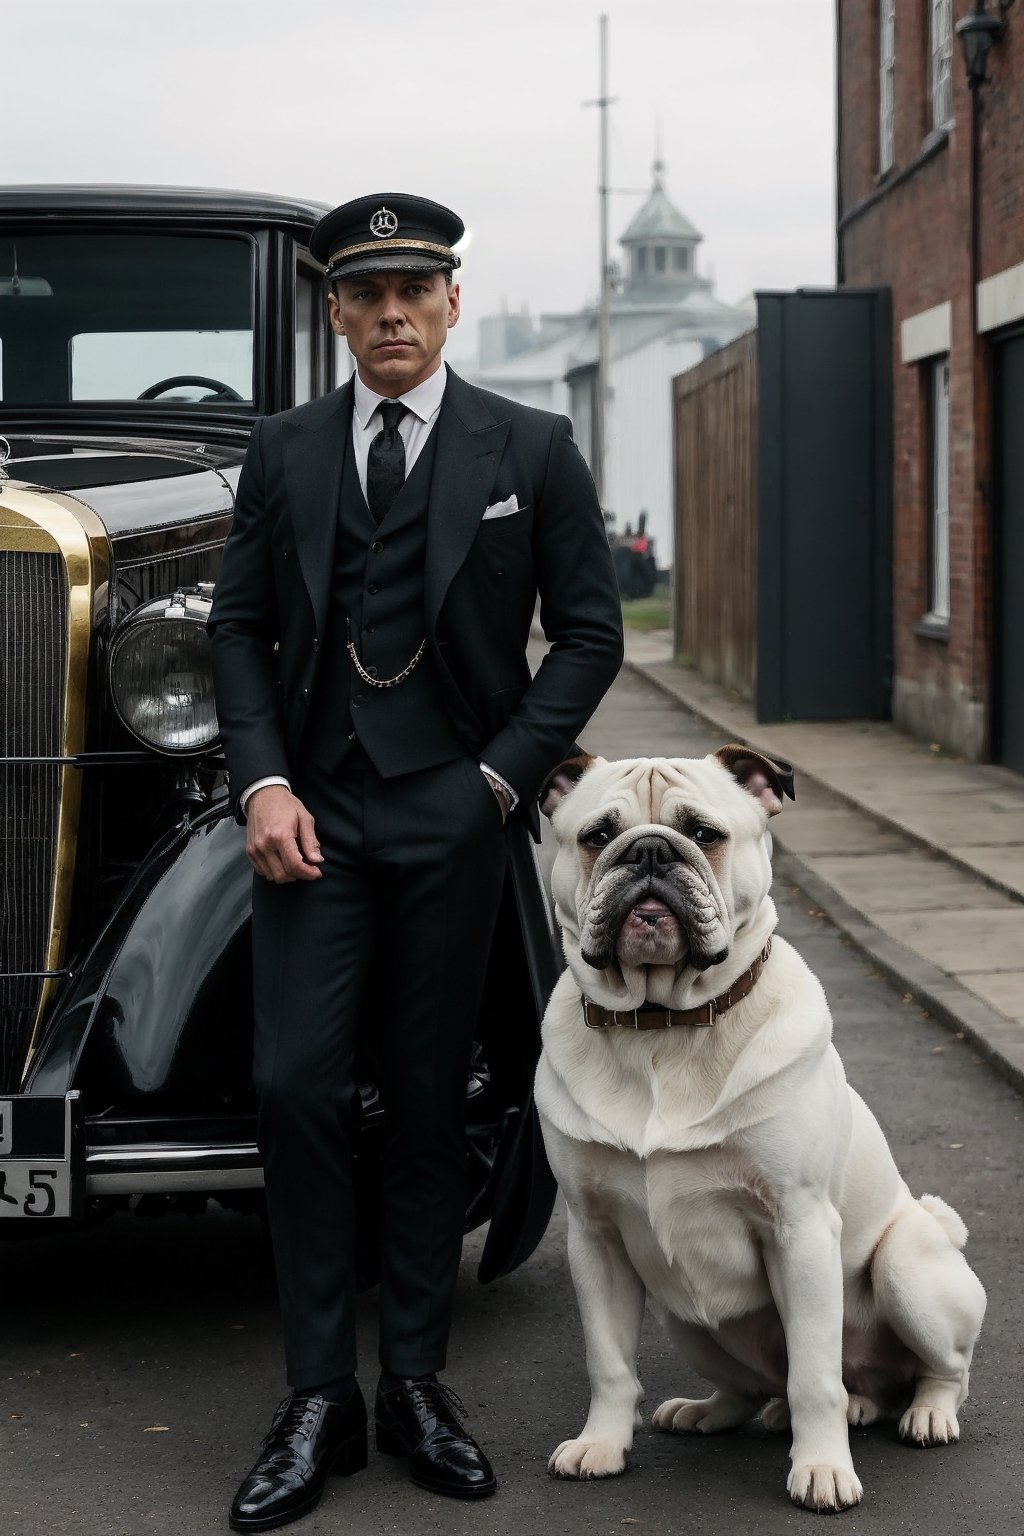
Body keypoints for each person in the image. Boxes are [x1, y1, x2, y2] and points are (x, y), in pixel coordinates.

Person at [208, 191, 623, 1531]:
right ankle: (319, 1394)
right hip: (312, 817)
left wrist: (501, 777)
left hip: (454, 813)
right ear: (336, 312)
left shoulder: (533, 447)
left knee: (434, 1099)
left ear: (450, 302)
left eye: (414, 294)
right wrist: (262, 780)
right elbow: (239, 630)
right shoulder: (284, 453)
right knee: (296, 1088)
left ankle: (421, 1388)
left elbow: (592, 636)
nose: (391, 316)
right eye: (364, 297)